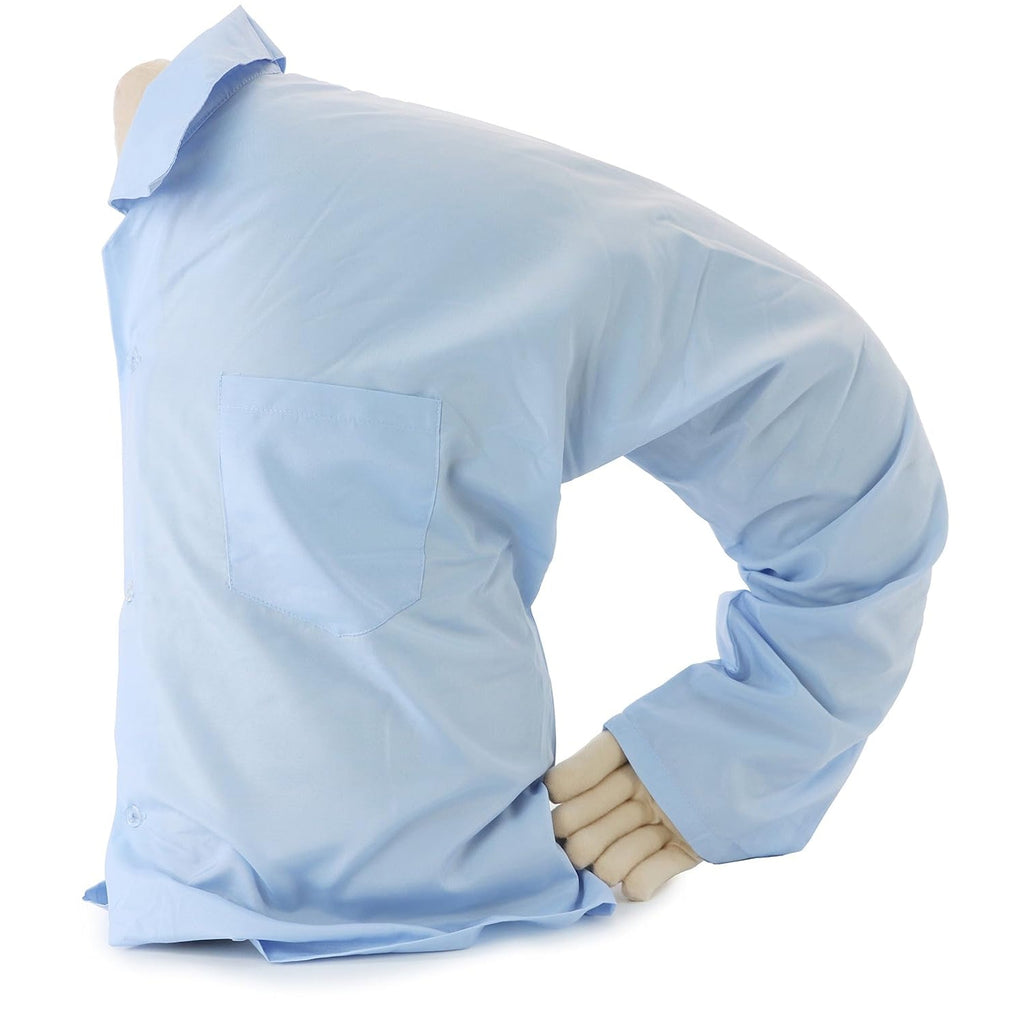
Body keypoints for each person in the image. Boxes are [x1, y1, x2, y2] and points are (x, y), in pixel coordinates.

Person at [85, 5, 948, 963]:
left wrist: (744, 745)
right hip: (184, 915)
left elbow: (826, 406)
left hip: (489, 947)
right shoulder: (220, 201)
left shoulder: (418, 210)